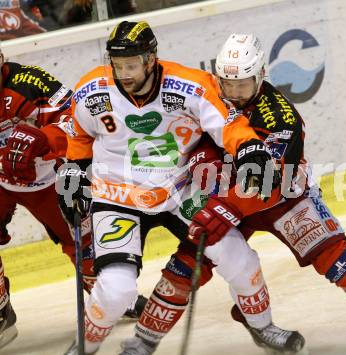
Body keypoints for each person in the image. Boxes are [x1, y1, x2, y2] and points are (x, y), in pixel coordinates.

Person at [119, 33, 346, 354]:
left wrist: (224, 207)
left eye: (243, 85)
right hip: (226, 195)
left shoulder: (281, 117)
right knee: (187, 263)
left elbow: (269, 180)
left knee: (334, 255)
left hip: (284, 197)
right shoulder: (210, 98)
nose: (235, 94)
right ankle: (143, 340)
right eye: (228, 85)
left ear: (261, 75)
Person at [60, 20, 305, 355]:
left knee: (241, 261)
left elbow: (228, 125)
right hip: (115, 196)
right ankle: (83, 349)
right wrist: (75, 167)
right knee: (116, 290)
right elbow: (79, 134)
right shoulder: (92, 89)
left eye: (131, 65)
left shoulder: (191, 85)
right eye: (117, 65)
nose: (124, 73)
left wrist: (249, 147)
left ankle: (264, 329)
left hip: (179, 191)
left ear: (151, 59)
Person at [0, 46, 144, 350]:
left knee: (82, 243)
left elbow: (75, 119)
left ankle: (114, 297)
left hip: (45, 179)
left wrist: (43, 137)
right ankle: (1, 312)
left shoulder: (29, 81)